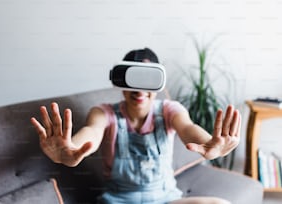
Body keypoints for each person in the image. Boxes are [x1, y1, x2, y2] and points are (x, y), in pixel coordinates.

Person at [31, 48, 241, 204]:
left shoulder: (169, 110)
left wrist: (209, 144)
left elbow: (187, 128)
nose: (139, 89)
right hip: (119, 200)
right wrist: (70, 149)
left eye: (148, 78)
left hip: (166, 199)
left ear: (159, 84)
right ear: (121, 82)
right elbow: (91, 133)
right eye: (133, 78)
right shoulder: (104, 113)